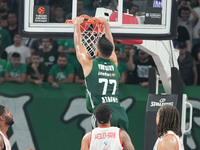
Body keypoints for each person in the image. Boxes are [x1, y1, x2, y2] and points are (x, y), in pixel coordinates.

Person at [73, 16, 129, 131]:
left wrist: (76, 25)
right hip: (120, 114)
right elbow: (111, 48)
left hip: (104, 116)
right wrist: (106, 25)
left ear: (96, 51)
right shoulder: (114, 64)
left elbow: (79, 46)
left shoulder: (89, 65)